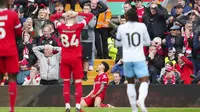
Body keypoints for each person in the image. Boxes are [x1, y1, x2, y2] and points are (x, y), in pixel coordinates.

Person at [50, 10, 93, 112]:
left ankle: (67, 106)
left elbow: (52, 17)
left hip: (65, 58)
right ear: (74, 18)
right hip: (76, 58)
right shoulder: (78, 26)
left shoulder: (61, 27)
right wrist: (78, 13)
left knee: (66, 82)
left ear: (65, 18)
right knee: (78, 82)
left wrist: (62, 14)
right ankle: (78, 106)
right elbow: (90, 15)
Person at [116, 8, 151, 112]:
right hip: (139, 57)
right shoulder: (142, 26)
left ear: (126, 17)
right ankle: (140, 100)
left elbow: (118, 43)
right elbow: (148, 42)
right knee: (144, 80)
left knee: (130, 82)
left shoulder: (121, 27)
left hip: (127, 58)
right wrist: (139, 43)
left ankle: (134, 109)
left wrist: (125, 43)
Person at [0, 0, 22, 112]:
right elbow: (19, 32)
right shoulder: (12, 14)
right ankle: (11, 109)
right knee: (12, 78)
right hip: (10, 50)